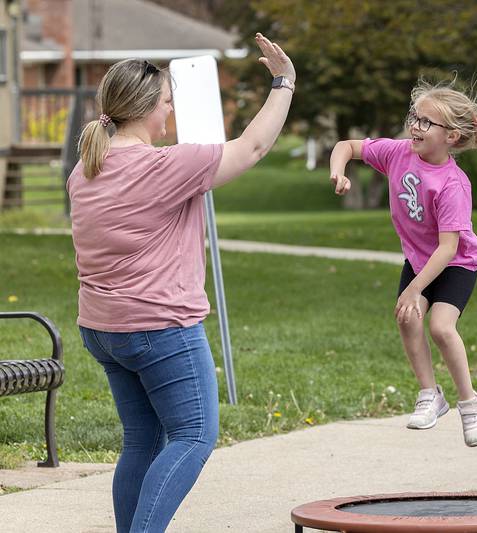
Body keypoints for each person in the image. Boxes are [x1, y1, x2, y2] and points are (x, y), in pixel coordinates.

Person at [67, 34, 294, 533]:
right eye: (167, 101)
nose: (170, 111)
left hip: (103, 329)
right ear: (147, 108)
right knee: (193, 434)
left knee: (142, 441)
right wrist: (283, 83)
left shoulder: (86, 170)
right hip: (159, 327)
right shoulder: (164, 166)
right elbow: (253, 147)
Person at [329, 79, 477, 447]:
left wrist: (415, 287)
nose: (415, 127)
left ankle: (470, 403)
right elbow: (347, 146)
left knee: (440, 327)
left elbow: (449, 248)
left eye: (425, 122)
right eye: (414, 118)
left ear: (451, 136)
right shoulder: (398, 153)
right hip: (421, 258)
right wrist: (338, 171)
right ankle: (430, 395)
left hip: (456, 263)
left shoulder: (452, 184)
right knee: (407, 316)